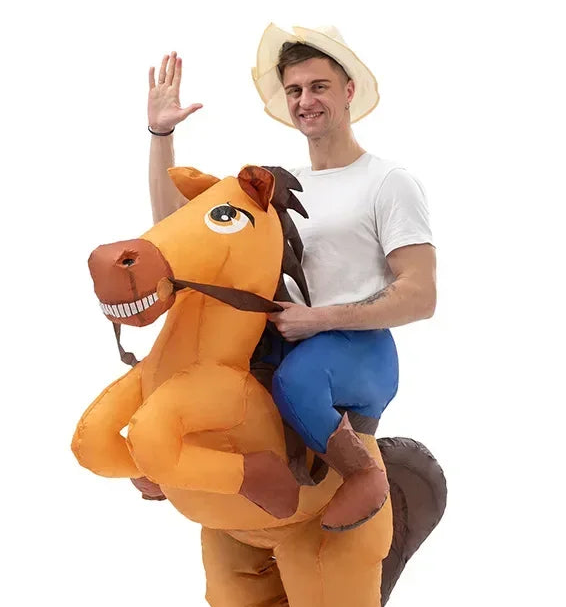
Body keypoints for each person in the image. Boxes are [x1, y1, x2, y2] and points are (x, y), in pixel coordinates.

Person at [146, 30, 435, 533]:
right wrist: (160, 136)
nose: (305, 101)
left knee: (296, 380)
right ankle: (164, 458)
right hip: (287, 338)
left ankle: (363, 474)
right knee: (197, 360)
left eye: (319, 87)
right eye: (295, 90)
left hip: (358, 349)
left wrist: (317, 319)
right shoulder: (279, 186)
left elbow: (420, 294)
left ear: (349, 91)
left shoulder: (388, 182)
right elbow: (176, 232)